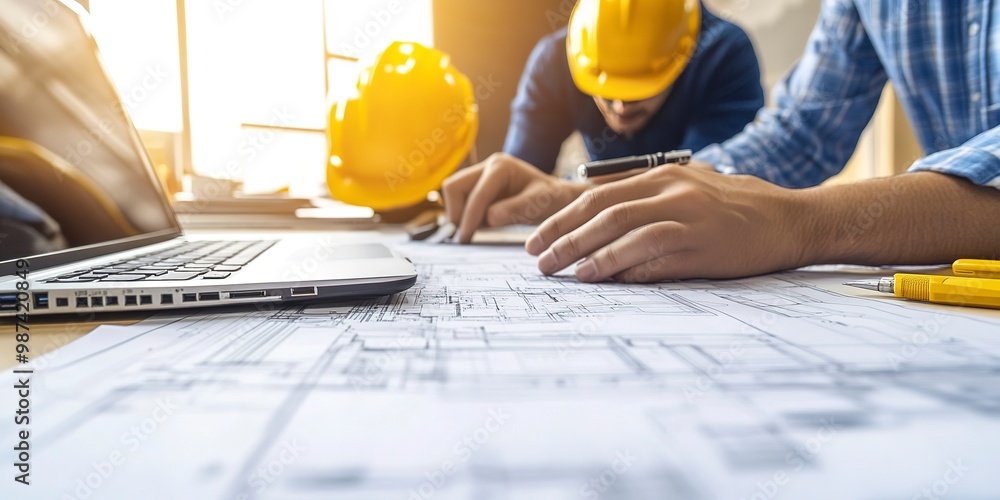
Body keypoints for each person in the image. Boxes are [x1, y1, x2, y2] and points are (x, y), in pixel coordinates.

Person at [444, 0, 1000, 282]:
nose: (618, 110)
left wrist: (799, 223)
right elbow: (800, 133)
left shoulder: (722, 50)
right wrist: (579, 198)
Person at [442, 0, 763, 231]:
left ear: (686, 52)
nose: (621, 107)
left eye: (642, 86)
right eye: (605, 89)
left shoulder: (722, 52)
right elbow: (519, 181)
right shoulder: (555, 58)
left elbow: (712, 192)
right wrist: (504, 197)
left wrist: (572, 195)